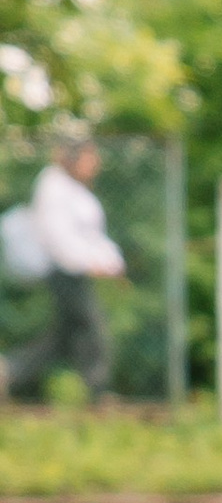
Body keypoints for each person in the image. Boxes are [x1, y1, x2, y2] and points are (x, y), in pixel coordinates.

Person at [3, 135, 124, 402]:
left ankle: (8, 372)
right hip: (63, 271)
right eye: (90, 157)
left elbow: (91, 234)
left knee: (64, 336)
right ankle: (99, 391)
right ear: (74, 158)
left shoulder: (74, 188)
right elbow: (58, 236)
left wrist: (111, 261)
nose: (95, 163)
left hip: (76, 270)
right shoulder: (53, 186)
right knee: (91, 325)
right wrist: (88, 263)